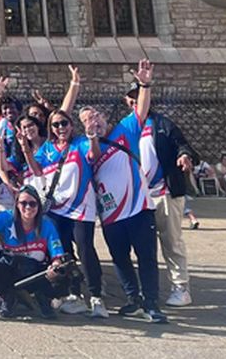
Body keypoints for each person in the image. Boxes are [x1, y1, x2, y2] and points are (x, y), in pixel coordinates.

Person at [81, 60, 167, 324]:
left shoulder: (124, 131)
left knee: (147, 257)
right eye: (86, 119)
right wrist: (92, 136)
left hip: (138, 208)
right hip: (110, 215)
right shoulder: (85, 146)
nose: (93, 120)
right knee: (120, 259)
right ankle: (133, 299)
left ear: (105, 117)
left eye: (96, 115)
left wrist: (144, 84)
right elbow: (93, 157)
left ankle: (151, 302)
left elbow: (142, 109)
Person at [17, 66, 106, 318]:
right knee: (64, 252)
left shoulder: (79, 143)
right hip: (57, 208)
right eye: (55, 124)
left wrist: (74, 85)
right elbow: (37, 170)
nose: (60, 127)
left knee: (86, 250)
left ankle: (96, 296)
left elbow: (94, 156)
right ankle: (74, 294)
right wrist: (25, 149)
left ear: (70, 124)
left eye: (64, 123)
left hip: (80, 207)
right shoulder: (46, 149)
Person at [125, 83, 200, 308]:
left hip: (164, 191)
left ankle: (181, 286)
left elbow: (183, 146)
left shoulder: (161, 124)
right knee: (143, 244)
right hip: (139, 195)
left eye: (136, 97)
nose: (132, 102)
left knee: (171, 241)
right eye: (129, 99)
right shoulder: (128, 127)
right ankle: (148, 288)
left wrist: (185, 156)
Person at [0, 186, 67, 319]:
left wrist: (55, 266)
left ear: (38, 206)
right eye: (23, 203)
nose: (28, 207)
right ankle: (8, 297)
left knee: (63, 274)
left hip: (36, 271)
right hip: (11, 269)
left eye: (32, 203)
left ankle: (44, 299)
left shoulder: (47, 224)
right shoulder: (7, 217)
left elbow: (57, 254)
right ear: (17, 204)